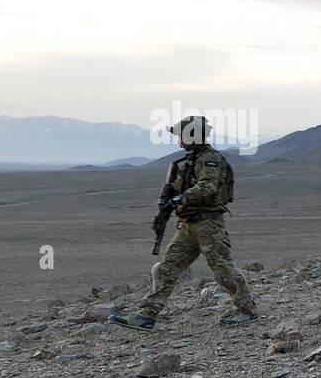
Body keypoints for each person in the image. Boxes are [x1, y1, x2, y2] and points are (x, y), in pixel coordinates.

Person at [110, 116, 257, 331]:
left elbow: (208, 187)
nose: (179, 141)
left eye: (182, 136)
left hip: (208, 225)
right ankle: (146, 315)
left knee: (223, 270)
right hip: (188, 226)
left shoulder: (210, 160)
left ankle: (247, 311)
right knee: (165, 269)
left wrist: (181, 199)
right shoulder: (191, 160)